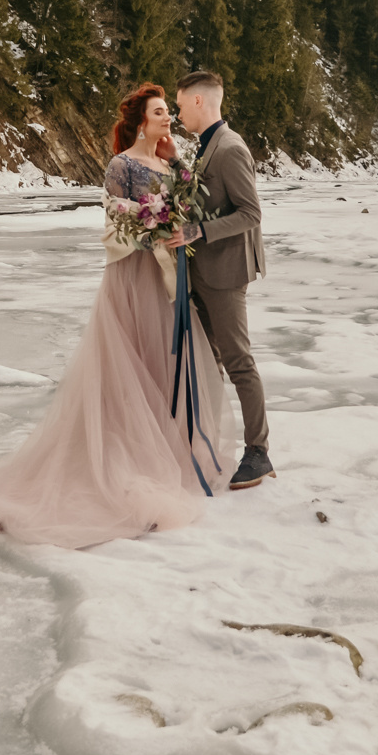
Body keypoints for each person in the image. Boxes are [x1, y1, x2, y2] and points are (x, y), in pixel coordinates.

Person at [0, 84, 231, 549]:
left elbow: (191, 200)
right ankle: (119, 457)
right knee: (127, 368)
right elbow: (114, 221)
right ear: (140, 122)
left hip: (163, 277)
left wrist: (174, 168)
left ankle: (168, 450)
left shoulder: (166, 163)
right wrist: (152, 225)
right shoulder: (121, 165)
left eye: (167, 113)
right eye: (159, 113)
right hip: (132, 275)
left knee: (161, 363)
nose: (167, 119)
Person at [167, 70, 272, 490]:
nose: (177, 113)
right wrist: (176, 162)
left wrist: (199, 232)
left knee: (238, 362)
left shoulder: (229, 148)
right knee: (207, 363)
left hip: (226, 273)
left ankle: (259, 453)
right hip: (205, 272)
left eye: (179, 105)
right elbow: (200, 195)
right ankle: (207, 443)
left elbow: (251, 212)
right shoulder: (205, 145)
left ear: (198, 101)